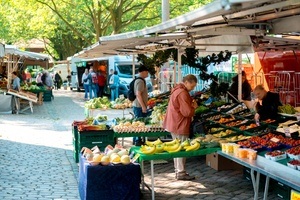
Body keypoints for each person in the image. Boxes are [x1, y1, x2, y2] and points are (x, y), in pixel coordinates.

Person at [163, 74, 198, 180]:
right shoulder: (182, 93)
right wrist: (194, 107)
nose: (193, 88)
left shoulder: (177, 90)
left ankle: (178, 171)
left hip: (174, 123)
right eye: (192, 86)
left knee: (177, 148)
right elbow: (187, 112)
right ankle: (181, 172)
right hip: (180, 124)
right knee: (181, 148)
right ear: (187, 82)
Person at [132, 65, 149, 146]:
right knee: (139, 124)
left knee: (138, 123)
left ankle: (137, 140)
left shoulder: (139, 80)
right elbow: (138, 94)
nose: (147, 74)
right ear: (143, 72)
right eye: (147, 72)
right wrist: (143, 106)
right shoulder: (140, 81)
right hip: (139, 107)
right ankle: (137, 141)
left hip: (138, 106)